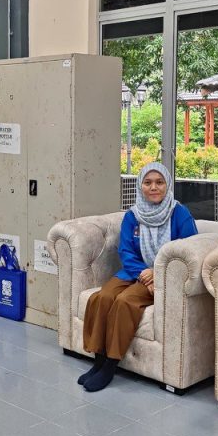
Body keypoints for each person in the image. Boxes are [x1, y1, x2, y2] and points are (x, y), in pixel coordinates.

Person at [78, 162, 197, 392]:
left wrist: (157, 273)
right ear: (140, 186)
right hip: (136, 272)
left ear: (168, 185)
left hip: (163, 278)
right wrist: (143, 273)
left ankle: (110, 365)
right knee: (102, 297)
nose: (154, 187)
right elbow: (125, 251)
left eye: (159, 182)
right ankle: (98, 361)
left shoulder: (179, 213)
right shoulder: (133, 215)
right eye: (148, 182)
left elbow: (188, 251)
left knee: (125, 301)